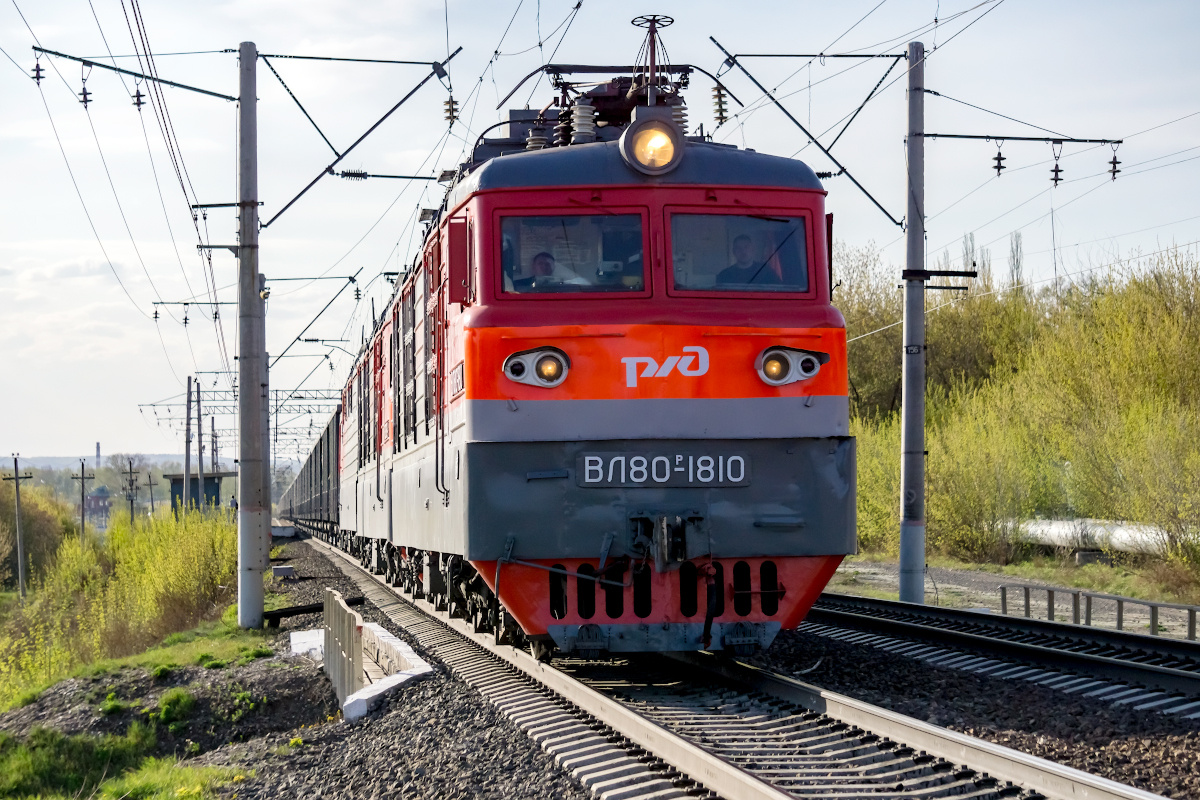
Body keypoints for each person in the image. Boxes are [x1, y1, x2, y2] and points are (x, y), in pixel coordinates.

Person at [512, 251, 590, 291]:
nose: (544, 267)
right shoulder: (518, 285)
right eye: (540, 263)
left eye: (547, 264)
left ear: (553, 267)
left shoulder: (562, 285)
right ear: (533, 266)